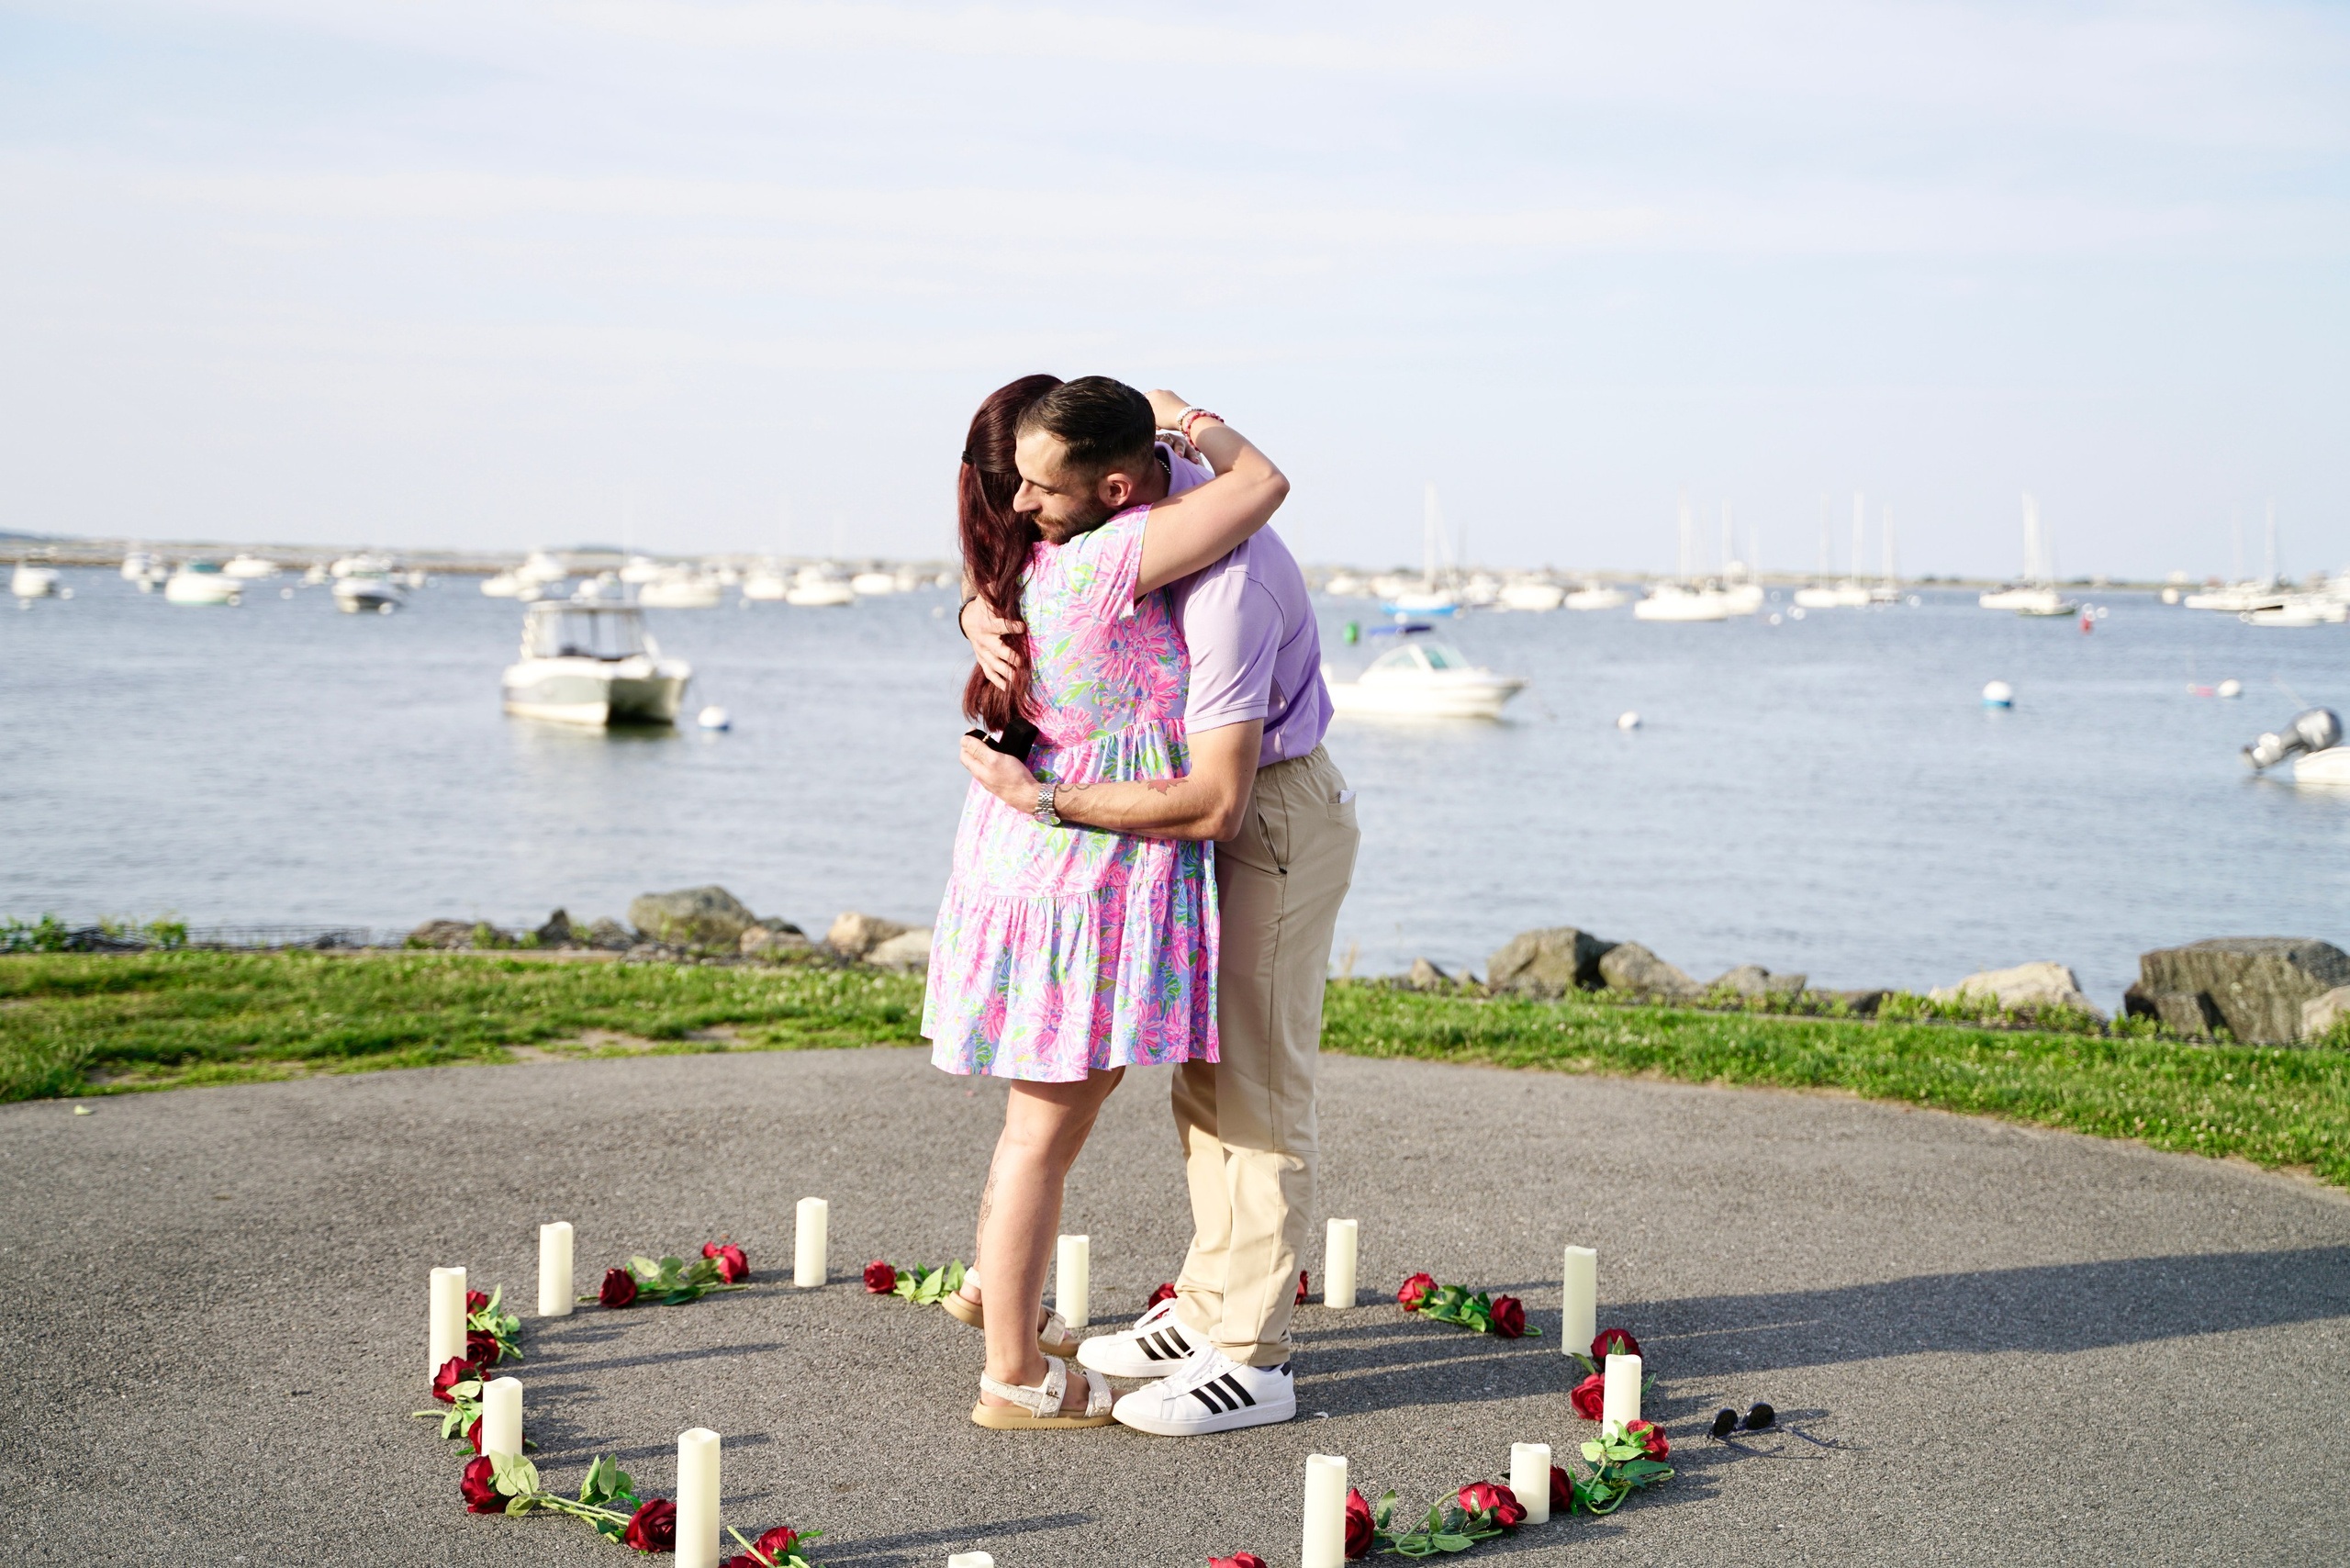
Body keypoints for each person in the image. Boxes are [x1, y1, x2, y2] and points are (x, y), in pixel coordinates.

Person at [959, 390, 1357, 1437]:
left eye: (1041, 486)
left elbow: (1218, 798)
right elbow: (1014, 543)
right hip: (1165, 829)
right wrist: (973, 608)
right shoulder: (1106, 531)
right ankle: (1210, 1301)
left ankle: (1251, 1355)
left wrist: (1039, 798)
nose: (1021, 500)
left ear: (1118, 486)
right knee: (1206, 1078)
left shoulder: (1221, 583)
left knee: (1258, 1090)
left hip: (1261, 814)